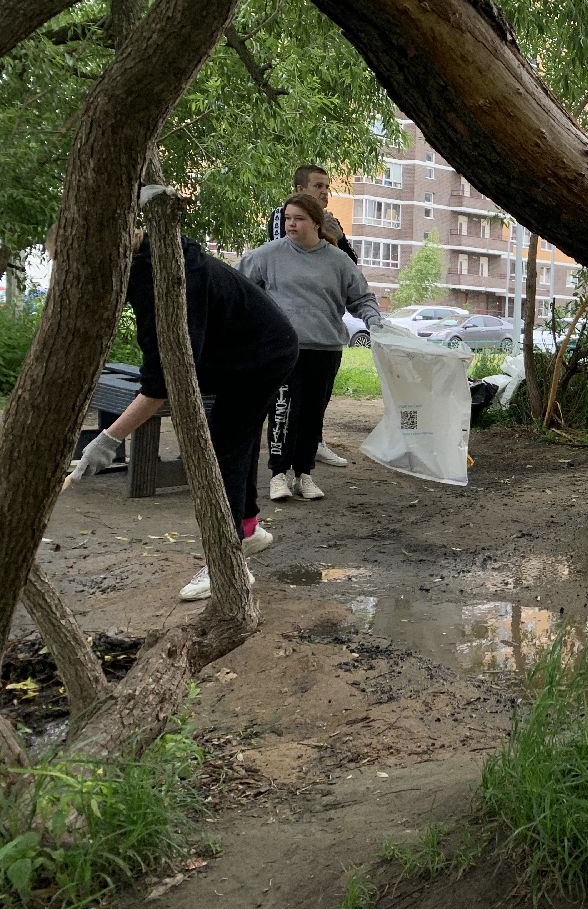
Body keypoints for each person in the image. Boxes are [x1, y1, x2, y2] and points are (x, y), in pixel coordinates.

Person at [69, 220, 299, 602]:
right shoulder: (151, 259)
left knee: (223, 450)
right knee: (231, 443)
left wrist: (109, 439)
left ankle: (227, 564)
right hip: (242, 350)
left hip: (261, 355)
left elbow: (160, 384)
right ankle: (249, 529)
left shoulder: (165, 282)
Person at [240, 193, 382, 502]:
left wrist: (373, 319)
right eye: (288, 218)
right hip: (283, 350)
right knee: (281, 412)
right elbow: (241, 288)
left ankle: (304, 474)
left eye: (299, 218)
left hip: (325, 349)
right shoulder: (268, 255)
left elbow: (362, 298)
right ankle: (278, 475)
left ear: (316, 223)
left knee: (311, 416)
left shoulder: (337, 260)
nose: (291, 224)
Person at [266, 163, 357, 468]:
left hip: (325, 329)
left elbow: (350, 265)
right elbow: (288, 253)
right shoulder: (284, 219)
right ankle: (282, 460)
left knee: (318, 396)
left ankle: (311, 446)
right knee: (287, 400)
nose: (325, 192)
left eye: (327, 187)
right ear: (300, 189)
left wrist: (336, 238)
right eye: (318, 186)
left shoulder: (331, 222)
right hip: (290, 330)